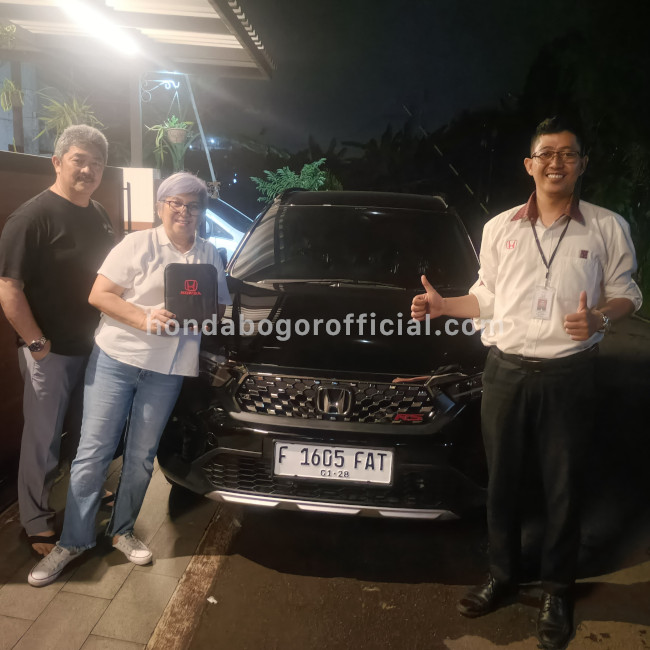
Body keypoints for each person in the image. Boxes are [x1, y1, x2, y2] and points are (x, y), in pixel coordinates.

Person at [411, 117, 642, 650]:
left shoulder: (607, 227)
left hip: (570, 374)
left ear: (582, 165)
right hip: (506, 372)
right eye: (547, 154)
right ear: (529, 165)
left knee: (564, 484)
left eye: (568, 154)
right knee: (504, 482)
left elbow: (628, 293)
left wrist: (601, 318)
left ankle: (558, 591)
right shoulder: (499, 229)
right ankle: (502, 576)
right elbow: (487, 297)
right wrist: (445, 305)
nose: (556, 162)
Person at [27, 172, 231, 587]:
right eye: (175, 202)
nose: (184, 211)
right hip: (117, 360)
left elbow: (220, 307)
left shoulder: (209, 253)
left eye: (193, 205)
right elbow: (99, 295)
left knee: (140, 456)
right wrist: (144, 317)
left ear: (202, 212)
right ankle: (74, 541)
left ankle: (122, 530)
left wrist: (208, 317)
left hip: (168, 370)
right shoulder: (137, 244)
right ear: (160, 207)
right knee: (93, 453)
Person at [0, 125, 115, 557]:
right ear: (57, 161)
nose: (87, 170)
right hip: (48, 352)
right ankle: (35, 519)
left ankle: (89, 489)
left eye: (96, 163)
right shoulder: (31, 218)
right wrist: (37, 345)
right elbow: (8, 288)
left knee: (89, 430)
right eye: (79, 160)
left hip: (95, 348)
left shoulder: (98, 213)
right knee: (43, 439)